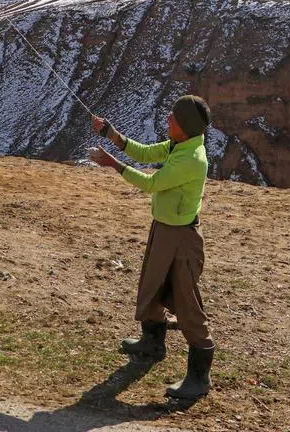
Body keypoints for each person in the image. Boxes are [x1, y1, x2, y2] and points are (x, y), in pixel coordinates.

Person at [88, 95, 214, 400]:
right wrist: (111, 133)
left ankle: (200, 376)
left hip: (182, 238)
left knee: (185, 299)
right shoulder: (178, 146)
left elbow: (152, 183)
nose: (168, 119)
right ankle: (153, 342)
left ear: (185, 125)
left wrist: (112, 164)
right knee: (152, 283)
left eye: (174, 117)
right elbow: (144, 153)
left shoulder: (192, 159)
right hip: (164, 228)